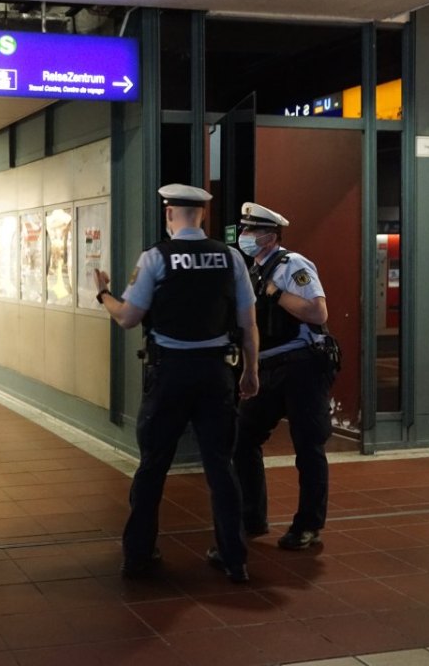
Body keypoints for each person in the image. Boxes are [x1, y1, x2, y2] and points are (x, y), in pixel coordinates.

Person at [93, 183, 259, 584]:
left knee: (153, 465)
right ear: (202, 215)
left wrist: (103, 294)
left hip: (170, 373)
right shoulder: (231, 258)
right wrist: (250, 372)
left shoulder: (156, 258)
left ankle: (138, 555)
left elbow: (130, 317)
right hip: (217, 372)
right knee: (220, 466)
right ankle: (234, 557)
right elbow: (248, 323)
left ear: (170, 214)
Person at [232, 202, 335, 551]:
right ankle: (251, 515)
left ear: (270, 235)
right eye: (244, 230)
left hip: (302, 366)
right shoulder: (253, 268)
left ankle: (308, 526)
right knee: (243, 439)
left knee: (308, 447)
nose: (245, 236)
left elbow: (317, 310)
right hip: (269, 367)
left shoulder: (293, 265)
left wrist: (276, 292)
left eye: (251, 230)